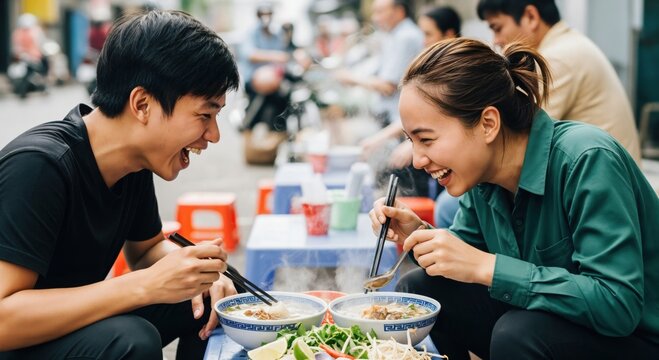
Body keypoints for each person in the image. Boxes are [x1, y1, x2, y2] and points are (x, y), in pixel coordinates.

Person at [370, 38, 659, 359]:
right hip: (553, 323)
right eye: (411, 141)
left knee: (519, 334)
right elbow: (465, 261)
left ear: (489, 123)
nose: (417, 160)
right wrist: (419, 236)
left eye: (426, 139)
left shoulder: (587, 158)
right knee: (420, 291)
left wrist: (488, 267)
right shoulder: (481, 179)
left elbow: (617, 304)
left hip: (637, 338)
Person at [0, 9, 240, 359]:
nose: (213, 136)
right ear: (142, 104)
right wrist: (142, 286)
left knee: (210, 293)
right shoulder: (40, 166)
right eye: (204, 115)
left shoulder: (134, 161)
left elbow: (144, 252)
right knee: (131, 341)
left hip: (67, 324)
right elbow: (4, 319)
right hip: (16, 340)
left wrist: (195, 269)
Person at [434, 0, 643, 228]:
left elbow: (516, 128)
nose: (496, 40)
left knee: (449, 204)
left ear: (531, 17)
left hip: (597, 184)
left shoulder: (558, 58)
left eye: (497, 27)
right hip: (582, 176)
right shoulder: (568, 46)